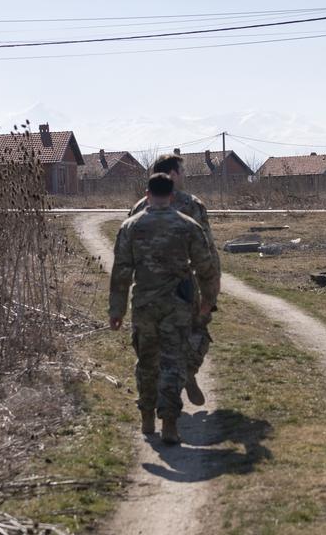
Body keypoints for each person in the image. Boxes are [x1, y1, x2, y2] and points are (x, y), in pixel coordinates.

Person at [110, 173, 220, 444]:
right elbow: (206, 268)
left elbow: (121, 272)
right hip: (177, 306)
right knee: (173, 362)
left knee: (147, 362)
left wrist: (117, 310)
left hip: (144, 306)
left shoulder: (130, 227)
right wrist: (208, 300)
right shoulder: (188, 226)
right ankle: (169, 423)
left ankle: (147, 417)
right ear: (172, 196)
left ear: (147, 194)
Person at [129, 152, 220, 407]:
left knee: (150, 343)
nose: (185, 177)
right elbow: (208, 250)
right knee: (197, 333)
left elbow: (127, 250)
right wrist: (212, 289)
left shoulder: (140, 206)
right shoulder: (193, 205)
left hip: (146, 290)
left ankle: (159, 391)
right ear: (172, 174)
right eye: (182, 171)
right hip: (184, 288)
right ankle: (185, 372)